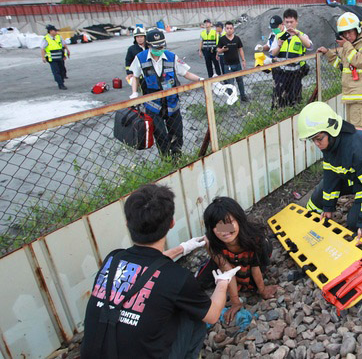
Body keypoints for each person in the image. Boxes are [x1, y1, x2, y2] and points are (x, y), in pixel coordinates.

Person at [80, 183, 239, 359]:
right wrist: (223, 282)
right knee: (194, 318)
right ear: (171, 223)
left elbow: (146, 264)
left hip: (96, 352)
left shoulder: (113, 259)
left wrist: (182, 249)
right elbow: (212, 315)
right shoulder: (177, 278)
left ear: (127, 223)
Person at [299, 102, 362, 242]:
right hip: (358, 174)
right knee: (318, 199)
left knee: (355, 223)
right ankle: (308, 222)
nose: (317, 144)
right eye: (313, 140)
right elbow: (331, 176)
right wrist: (328, 207)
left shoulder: (355, 148)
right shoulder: (332, 142)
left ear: (332, 130)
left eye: (319, 139)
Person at [195, 197, 278, 323]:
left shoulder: (255, 239)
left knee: (253, 282)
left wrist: (262, 290)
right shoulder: (212, 242)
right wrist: (235, 302)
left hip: (252, 256)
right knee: (199, 283)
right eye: (218, 227)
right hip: (225, 259)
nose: (225, 232)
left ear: (239, 221)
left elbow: (255, 268)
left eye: (228, 224)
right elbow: (227, 269)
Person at [129, 29, 205, 157]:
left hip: (172, 104)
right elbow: (135, 76)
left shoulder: (171, 57)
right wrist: (134, 93)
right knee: (161, 136)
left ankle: (177, 158)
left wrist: (200, 79)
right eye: (156, 46)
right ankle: (166, 160)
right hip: (153, 105)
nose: (159, 49)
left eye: (161, 46)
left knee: (176, 134)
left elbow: (185, 73)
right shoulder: (140, 58)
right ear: (149, 45)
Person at [317, 12, 362, 131]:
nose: (347, 36)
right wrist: (328, 53)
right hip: (351, 97)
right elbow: (342, 66)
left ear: (357, 29)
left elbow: (359, 61)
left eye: (350, 32)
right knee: (354, 132)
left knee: (360, 133)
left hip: (360, 98)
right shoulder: (348, 47)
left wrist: (347, 46)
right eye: (344, 33)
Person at [270, 8, 313, 107]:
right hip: (281, 74)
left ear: (296, 22)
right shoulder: (278, 36)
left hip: (295, 75)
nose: (289, 24)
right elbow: (273, 53)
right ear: (283, 23)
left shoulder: (302, 35)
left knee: (295, 100)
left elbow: (309, 46)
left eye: (291, 22)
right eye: (287, 22)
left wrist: (297, 35)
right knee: (279, 100)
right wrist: (279, 45)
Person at [217, 22, 248, 102]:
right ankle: (232, 98)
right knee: (230, 83)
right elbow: (218, 50)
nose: (229, 30)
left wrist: (243, 60)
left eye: (231, 28)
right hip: (227, 65)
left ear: (233, 29)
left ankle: (243, 96)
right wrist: (222, 50)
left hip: (237, 64)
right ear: (225, 29)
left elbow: (240, 49)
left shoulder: (237, 39)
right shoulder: (222, 39)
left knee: (240, 81)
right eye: (227, 28)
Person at [40, 24, 70, 90]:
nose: (56, 32)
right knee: (56, 71)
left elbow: (63, 45)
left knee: (62, 70)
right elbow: (42, 48)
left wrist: (67, 51)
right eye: (55, 31)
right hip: (52, 58)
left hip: (60, 57)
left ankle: (61, 80)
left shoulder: (59, 37)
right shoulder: (46, 39)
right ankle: (60, 84)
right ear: (50, 31)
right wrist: (43, 57)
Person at [125, 27, 147, 95]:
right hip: (139, 73)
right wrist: (129, 73)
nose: (139, 39)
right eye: (137, 37)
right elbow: (128, 61)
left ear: (145, 37)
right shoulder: (132, 49)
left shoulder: (149, 46)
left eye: (141, 37)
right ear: (135, 38)